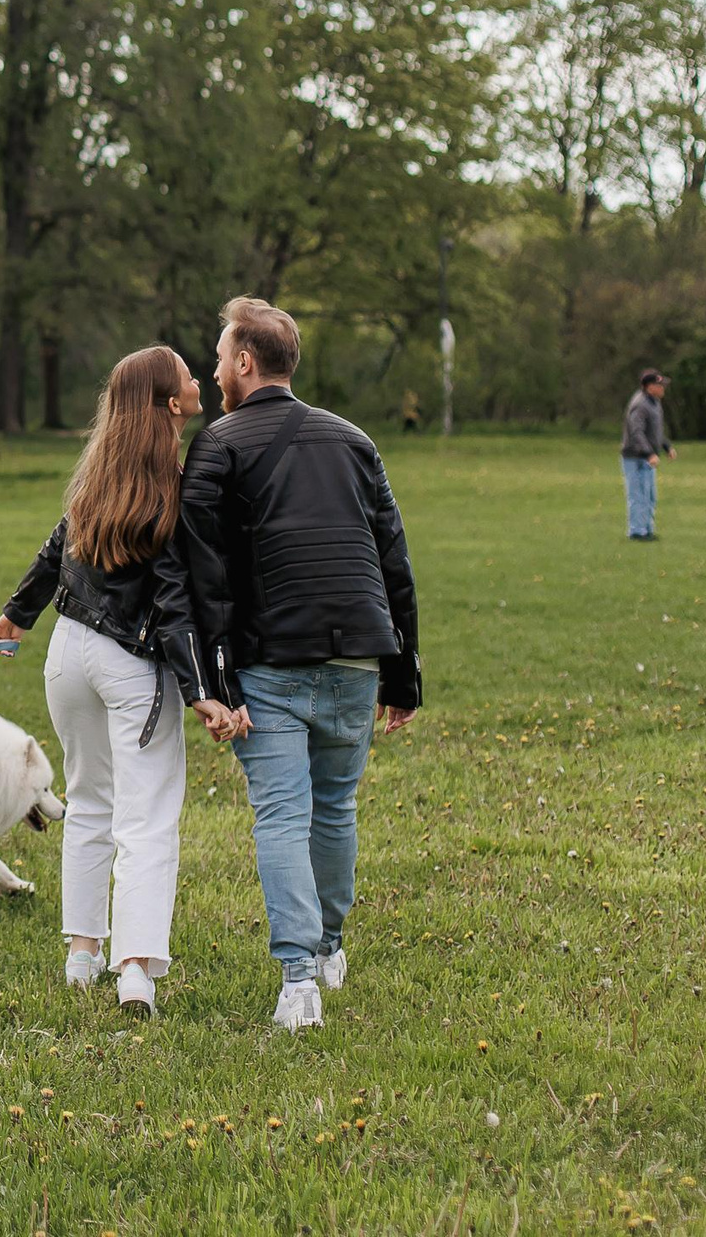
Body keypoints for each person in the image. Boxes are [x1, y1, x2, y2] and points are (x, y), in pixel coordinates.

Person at [176, 297, 421, 1032]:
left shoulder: (218, 444)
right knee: (335, 808)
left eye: (221, 357)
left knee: (283, 815)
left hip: (273, 661)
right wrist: (403, 670)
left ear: (245, 362)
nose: (216, 369)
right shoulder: (355, 439)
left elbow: (204, 573)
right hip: (357, 656)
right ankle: (331, 948)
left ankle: (298, 979)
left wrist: (214, 682)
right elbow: (393, 559)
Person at [0, 347, 242, 1015]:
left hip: (68, 658)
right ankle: (134, 970)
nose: (196, 380)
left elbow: (56, 544)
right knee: (147, 817)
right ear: (169, 404)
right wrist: (202, 691)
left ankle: (81, 954)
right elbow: (173, 600)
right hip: (131, 663)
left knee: (91, 803)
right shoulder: (171, 487)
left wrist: (17, 613)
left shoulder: (97, 475)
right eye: (187, 375)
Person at [621, 369, 674, 542]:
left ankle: (647, 530)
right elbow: (637, 433)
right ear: (650, 386)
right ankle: (637, 532)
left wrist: (666, 446)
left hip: (647, 456)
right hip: (636, 457)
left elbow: (655, 431)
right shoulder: (640, 404)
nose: (663, 388)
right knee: (638, 495)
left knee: (650, 495)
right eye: (660, 385)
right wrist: (649, 453)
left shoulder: (654, 402)